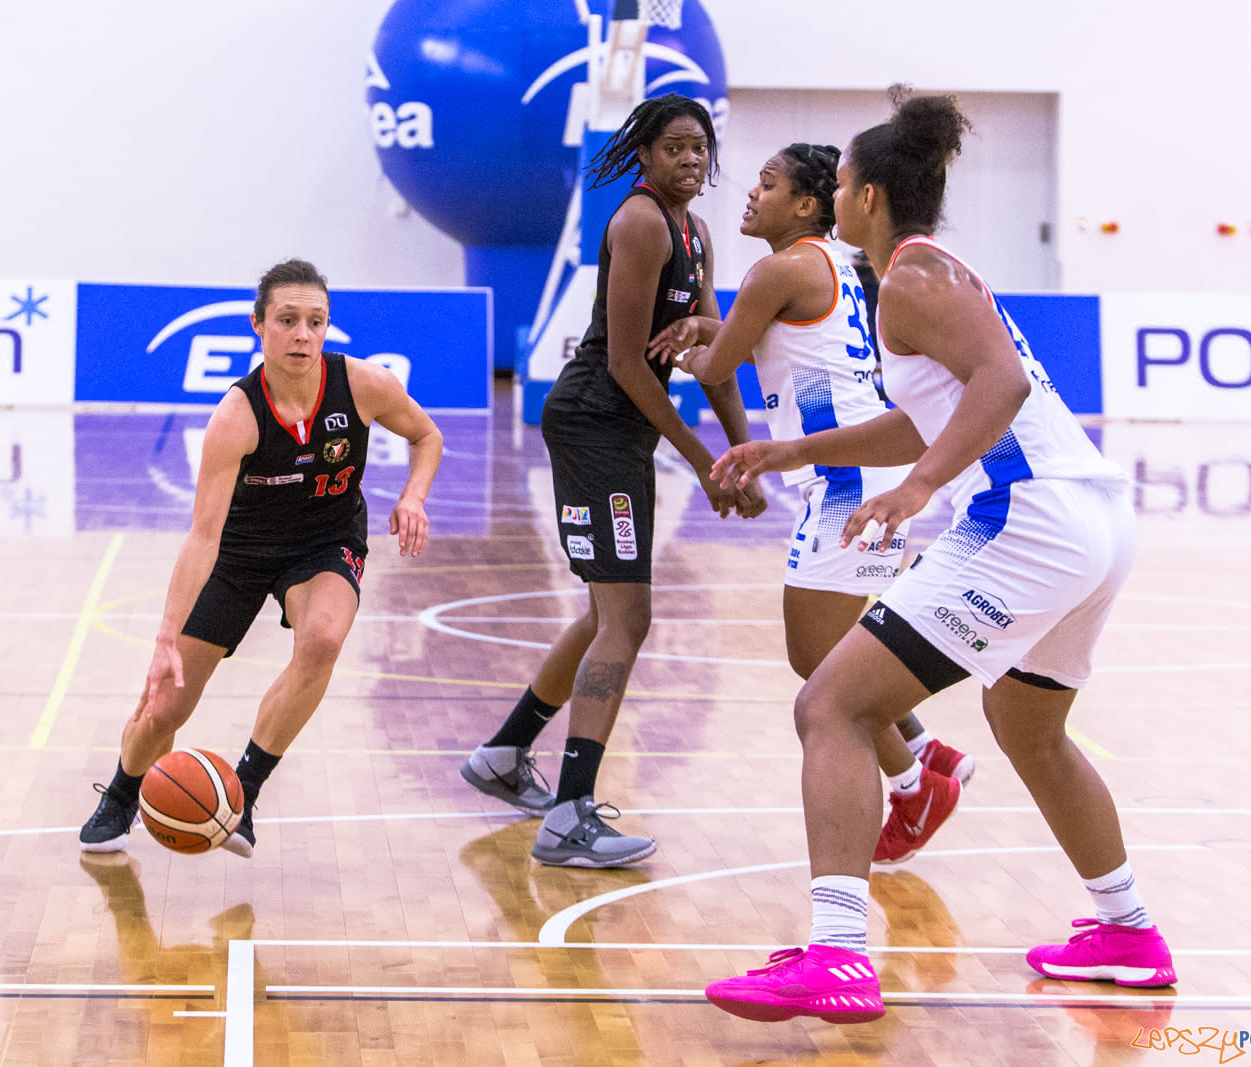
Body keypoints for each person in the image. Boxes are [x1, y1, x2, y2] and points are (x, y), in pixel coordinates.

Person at [703, 89, 1175, 1025]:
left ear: (867, 197)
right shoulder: (928, 274)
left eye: (840, 184)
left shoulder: (912, 279)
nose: (835, 198)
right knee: (1028, 725)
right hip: (1090, 519)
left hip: (1028, 518)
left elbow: (1000, 382)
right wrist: (791, 450)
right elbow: (928, 416)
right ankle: (1128, 929)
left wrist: (918, 489)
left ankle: (838, 955)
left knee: (832, 704)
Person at [458, 94, 765, 867]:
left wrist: (744, 451)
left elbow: (714, 356)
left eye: (700, 147)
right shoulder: (639, 222)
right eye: (674, 147)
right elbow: (629, 364)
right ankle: (570, 814)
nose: (690, 159)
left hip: (621, 427)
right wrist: (704, 461)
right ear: (646, 155)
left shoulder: (696, 233)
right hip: (596, 419)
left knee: (608, 614)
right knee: (629, 617)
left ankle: (505, 754)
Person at [649, 143, 973, 865]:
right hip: (853, 470)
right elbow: (763, 339)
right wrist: (709, 330)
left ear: (804, 204)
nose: (750, 193)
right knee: (839, 653)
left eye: (767, 184)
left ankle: (916, 786)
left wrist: (684, 345)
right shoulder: (823, 263)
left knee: (817, 659)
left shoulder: (777, 270)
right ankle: (927, 752)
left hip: (843, 481)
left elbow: (720, 365)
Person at [79, 258, 442, 858]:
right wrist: (166, 636)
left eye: (315, 322)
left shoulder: (363, 385)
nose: (302, 334)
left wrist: (413, 496)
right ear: (259, 325)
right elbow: (202, 537)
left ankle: (244, 792)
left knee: (322, 640)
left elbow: (426, 435)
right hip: (240, 550)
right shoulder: (237, 416)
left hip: (325, 540)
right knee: (167, 705)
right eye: (287, 320)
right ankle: (122, 793)